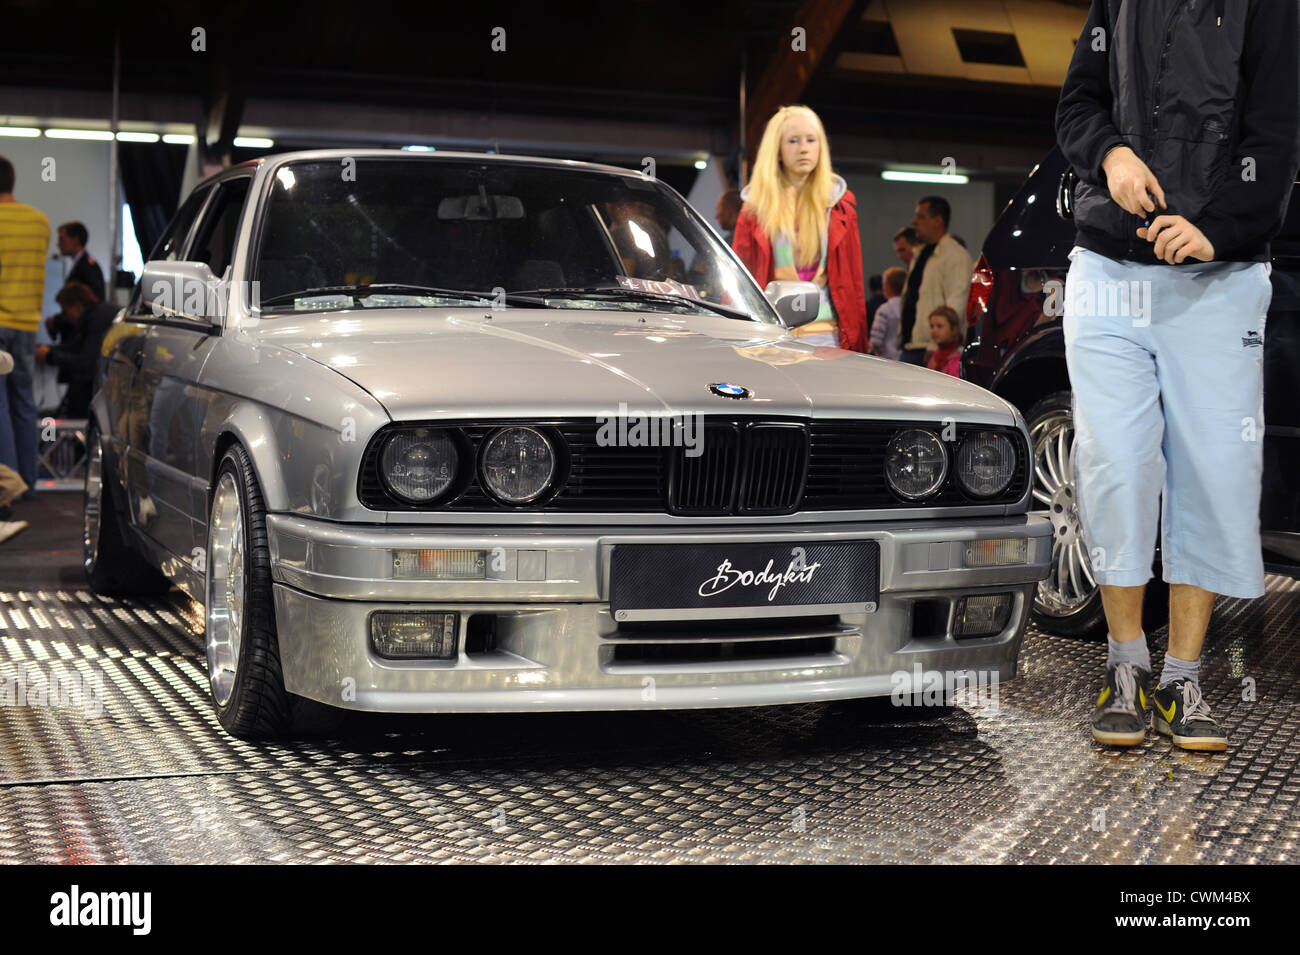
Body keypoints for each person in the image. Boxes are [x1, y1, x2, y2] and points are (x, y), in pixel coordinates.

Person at [1057, 0, 1300, 751]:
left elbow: (1278, 138)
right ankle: (1126, 663)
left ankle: (1183, 676)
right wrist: (1111, 154)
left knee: (1213, 469)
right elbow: (1077, 105)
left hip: (1217, 279)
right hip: (1106, 269)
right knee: (1116, 466)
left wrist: (1217, 228)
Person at [732, 105, 867, 351]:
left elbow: (854, 284)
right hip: (774, 337)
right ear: (778, 150)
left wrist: (859, 343)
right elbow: (740, 283)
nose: (803, 148)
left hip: (830, 337)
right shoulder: (754, 210)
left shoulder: (841, 206)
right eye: (793, 141)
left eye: (811, 140)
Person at [0, 155, 50, 493]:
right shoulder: (40, 222)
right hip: (27, 324)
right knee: (23, 401)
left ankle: (9, 484)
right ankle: (30, 481)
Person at [897, 196, 973, 366]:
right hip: (912, 346)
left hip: (932, 350)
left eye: (921, 216)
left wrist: (936, 345)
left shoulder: (956, 256)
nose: (913, 221)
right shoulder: (921, 254)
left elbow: (956, 304)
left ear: (938, 221)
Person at [35, 281, 114, 418]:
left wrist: (50, 356)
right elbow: (76, 346)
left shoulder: (96, 319)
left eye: (65, 311)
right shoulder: (96, 315)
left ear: (77, 306)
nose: (66, 317)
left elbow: (87, 363)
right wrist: (49, 351)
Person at [56, 221, 105, 303]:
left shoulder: (89, 267)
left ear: (76, 240)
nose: (58, 244)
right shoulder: (81, 264)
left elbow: (94, 301)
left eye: (62, 239)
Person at [868, 266, 905, 360]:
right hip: (906, 358)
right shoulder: (910, 308)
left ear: (888, 286)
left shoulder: (884, 310)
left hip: (888, 359)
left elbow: (875, 342)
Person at [924, 306, 963, 377]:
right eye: (932, 326)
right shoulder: (935, 357)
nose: (934, 331)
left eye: (939, 326)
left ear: (954, 329)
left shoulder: (958, 359)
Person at [864, 273, 885, 338]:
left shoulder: (866, 306)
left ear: (870, 288)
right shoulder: (888, 305)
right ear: (883, 286)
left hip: (871, 340)